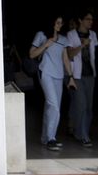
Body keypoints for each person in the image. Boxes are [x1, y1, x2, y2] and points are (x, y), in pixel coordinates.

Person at [30, 15, 74, 151]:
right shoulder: (41, 35)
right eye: (57, 22)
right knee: (53, 105)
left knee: (53, 107)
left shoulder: (63, 39)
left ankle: (47, 137)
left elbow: (65, 59)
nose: (59, 25)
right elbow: (32, 54)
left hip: (59, 75)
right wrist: (46, 44)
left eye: (61, 23)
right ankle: (51, 139)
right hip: (45, 72)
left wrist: (71, 76)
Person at [65, 10, 97, 147]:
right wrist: (82, 45)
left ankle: (82, 132)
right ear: (80, 20)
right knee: (81, 105)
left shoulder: (93, 34)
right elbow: (69, 54)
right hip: (77, 75)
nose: (90, 22)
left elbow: (94, 54)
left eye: (91, 19)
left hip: (90, 74)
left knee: (89, 107)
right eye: (88, 19)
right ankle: (83, 135)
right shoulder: (71, 35)